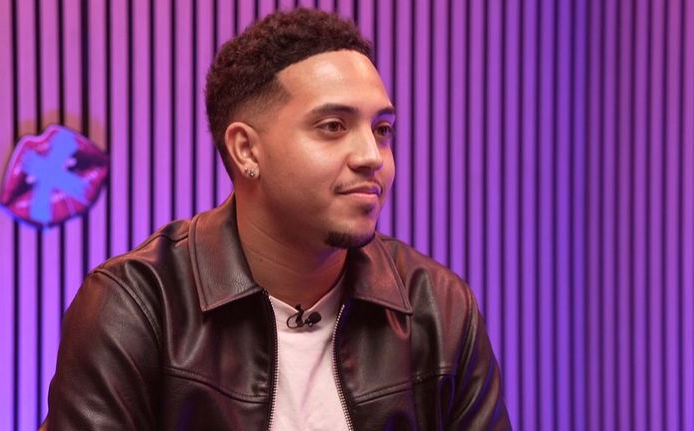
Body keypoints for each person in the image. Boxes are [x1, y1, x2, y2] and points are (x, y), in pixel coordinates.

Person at [43, 8, 510, 430]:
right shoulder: (138, 306)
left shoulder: (437, 308)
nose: (372, 156)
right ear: (247, 150)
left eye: (382, 129)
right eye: (333, 127)